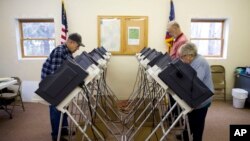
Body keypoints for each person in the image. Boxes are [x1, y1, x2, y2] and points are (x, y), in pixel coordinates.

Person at [41, 33, 85, 141]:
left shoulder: (68, 52)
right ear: (70, 42)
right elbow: (57, 76)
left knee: (64, 105)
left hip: (57, 83)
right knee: (56, 108)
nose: (78, 48)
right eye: (77, 46)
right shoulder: (59, 52)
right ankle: (56, 136)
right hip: (51, 86)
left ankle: (63, 129)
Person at [178, 42, 214, 141]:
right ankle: (186, 135)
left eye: (182, 57)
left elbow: (196, 82)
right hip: (196, 95)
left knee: (198, 122)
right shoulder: (193, 61)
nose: (182, 59)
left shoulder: (200, 62)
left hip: (203, 98)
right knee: (190, 118)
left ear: (190, 55)